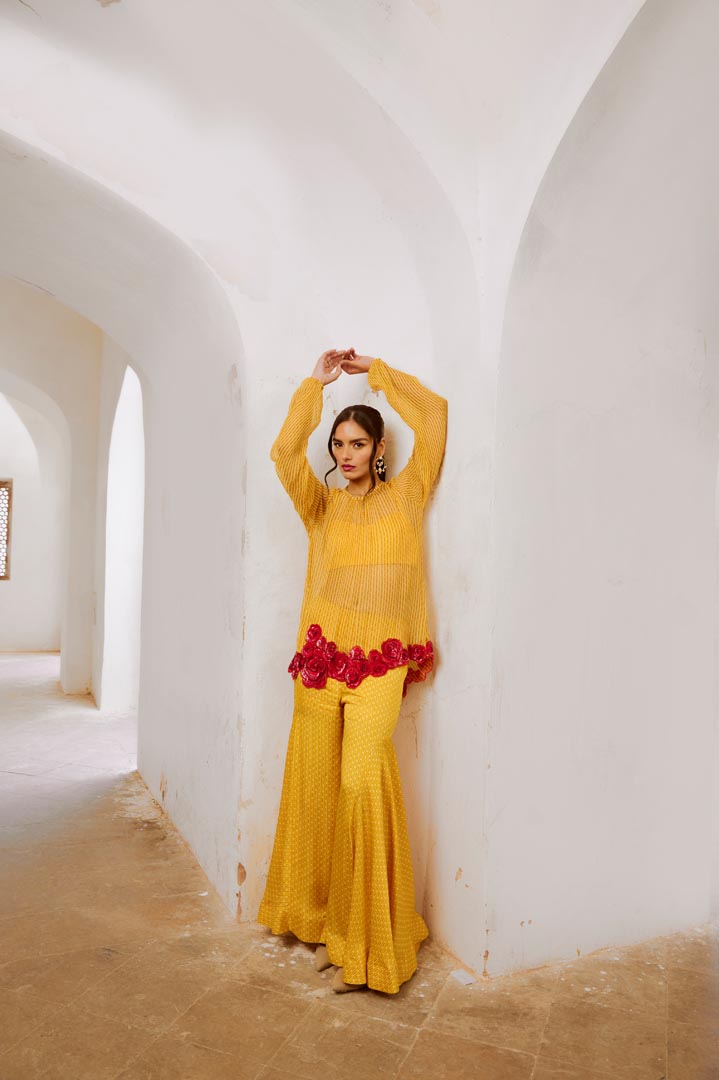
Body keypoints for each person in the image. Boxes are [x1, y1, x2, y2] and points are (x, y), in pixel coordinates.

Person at [257, 347, 448, 994]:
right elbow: (284, 455)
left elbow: (436, 415)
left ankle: (365, 940)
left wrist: (377, 372)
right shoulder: (321, 508)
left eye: (357, 443)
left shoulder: (408, 496)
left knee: (360, 785)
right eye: (338, 443)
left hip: (377, 670)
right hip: (319, 667)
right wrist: (313, 386)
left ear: (378, 449)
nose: (344, 453)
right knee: (315, 790)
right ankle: (319, 921)